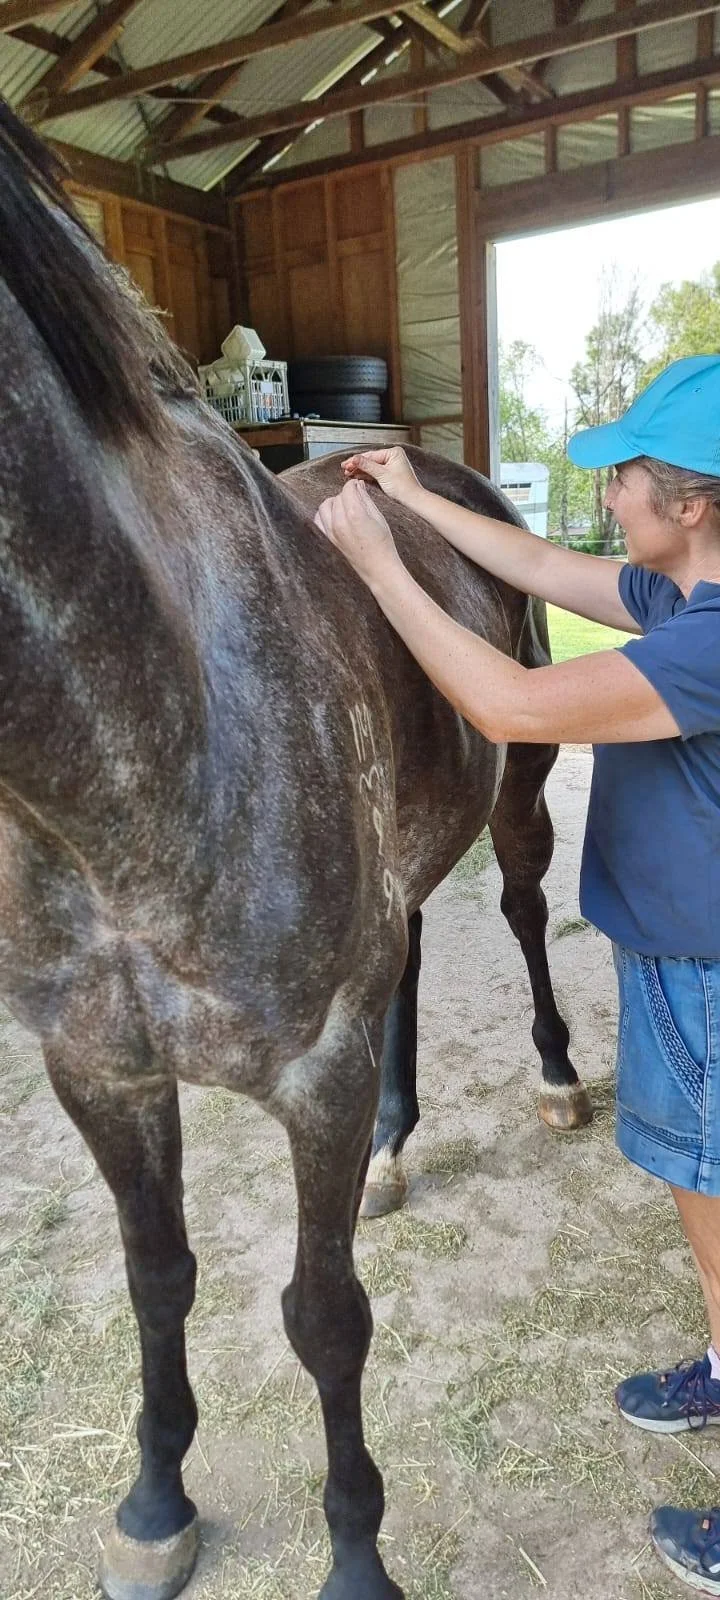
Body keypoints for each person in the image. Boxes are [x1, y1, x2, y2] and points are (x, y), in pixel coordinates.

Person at [313, 354, 720, 1595]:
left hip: (706, 970)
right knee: (699, 1193)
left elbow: (515, 701)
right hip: (674, 950)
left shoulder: (708, 638)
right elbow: (543, 570)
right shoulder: (678, 587)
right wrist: (413, 496)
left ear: (692, 500)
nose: (610, 498)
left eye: (627, 478)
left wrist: (382, 570)